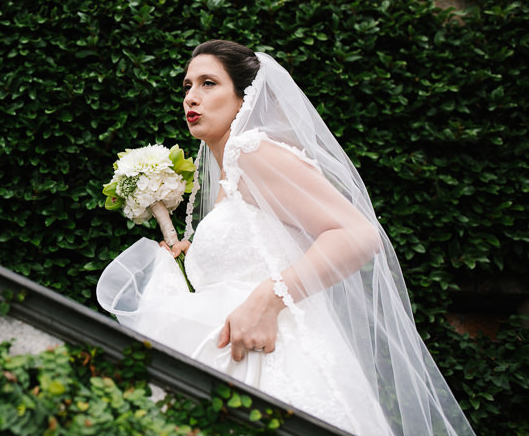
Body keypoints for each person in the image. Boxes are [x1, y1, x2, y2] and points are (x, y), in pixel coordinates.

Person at [97, 40, 474, 436]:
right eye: (187, 86)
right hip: (235, 363)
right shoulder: (230, 173)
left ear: (245, 97)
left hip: (278, 361)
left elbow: (358, 234)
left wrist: (269, 298)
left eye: (209, 84)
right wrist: (191, 258)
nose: (192, 97)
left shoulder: (252, 151)